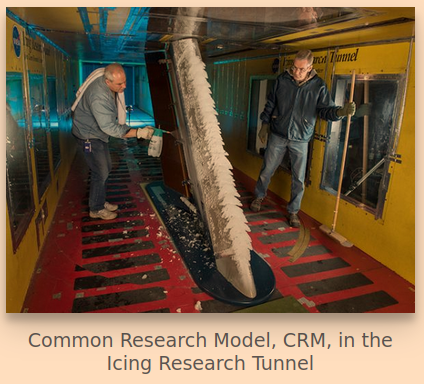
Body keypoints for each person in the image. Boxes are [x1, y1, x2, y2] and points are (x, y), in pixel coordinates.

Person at [250, 49, 356, 228]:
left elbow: (325, 111)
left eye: (301, 69)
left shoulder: (318, 86)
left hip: (301, 139)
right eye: (294, 68)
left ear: (310, 68)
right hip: (278, 134)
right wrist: (264, 125)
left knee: (299, 178)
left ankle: (293, 212)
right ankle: (259, 197)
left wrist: (340, 112)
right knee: (267, 169)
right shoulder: (282, 80)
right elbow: (271, 103)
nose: (296, 72)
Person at [72, 63, 155, 220]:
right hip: (88, 136)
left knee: (106, 167)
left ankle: (100, 200)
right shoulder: (98, 97)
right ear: (107, 81)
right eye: (119, 84)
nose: (124, 86)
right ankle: (96, 209)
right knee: (100, 170)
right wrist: (139, 132)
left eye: (124, 81)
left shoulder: (105, 78)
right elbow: (110, 127)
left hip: (98, 133)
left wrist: (136, 130)